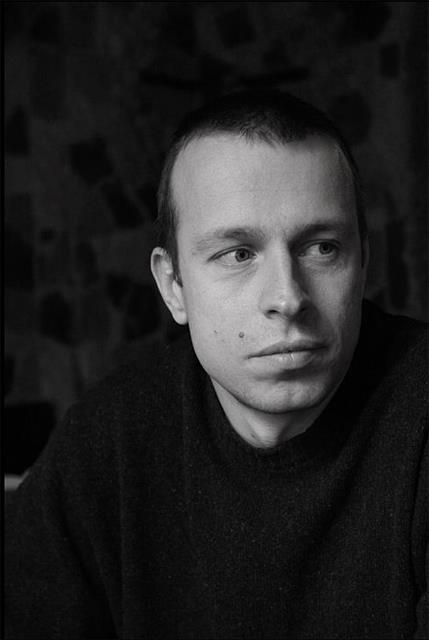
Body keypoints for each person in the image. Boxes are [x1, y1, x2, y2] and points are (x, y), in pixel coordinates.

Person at [5, 90, 427, 639]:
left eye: (322, 247)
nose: (287, 297)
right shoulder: (109, 441)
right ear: (173, 286)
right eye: (238, 254)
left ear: (363, 260)